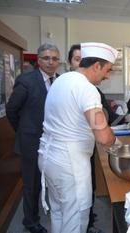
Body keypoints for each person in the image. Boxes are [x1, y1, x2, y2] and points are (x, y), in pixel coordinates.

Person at [38, 42, 121, 233]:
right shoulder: (87, 89)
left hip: (48, 158)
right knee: (75, 219)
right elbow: (102, 135)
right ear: (96, 66)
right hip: (69, 164)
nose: (107, 75)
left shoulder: (62, 80)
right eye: (107, 70)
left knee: (59, 213)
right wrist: (116, 142)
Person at [6, 43, 60, 233]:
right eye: (46, 58)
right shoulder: (26, 80)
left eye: (54, 58)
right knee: (32, 185)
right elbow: (11, 110)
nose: (50, 62)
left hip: (53, 143)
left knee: (52, 181)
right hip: (31, 144)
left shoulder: (60, 81)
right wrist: (23, 131)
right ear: (38, 60)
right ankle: (30, 222)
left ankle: (52, 212)